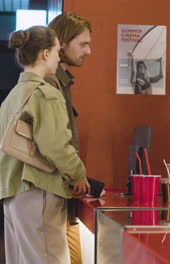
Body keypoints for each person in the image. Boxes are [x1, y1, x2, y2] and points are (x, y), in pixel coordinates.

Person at [0, 26, 89, 264]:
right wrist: (78, 174)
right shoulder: (46, 94)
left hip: (11, 193)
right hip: (37, 191)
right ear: (45, 54)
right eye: (58, 51)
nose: (60, 56)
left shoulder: (13, 96)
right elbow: (56, 146)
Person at [45, 12, 92, 264]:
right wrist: (77, 174)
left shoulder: (62, 82)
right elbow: (53, 141)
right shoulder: (50, 83)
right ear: (62, 43)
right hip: (49, 193)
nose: (89, 51)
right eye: (83, 44)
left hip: (62, 193)